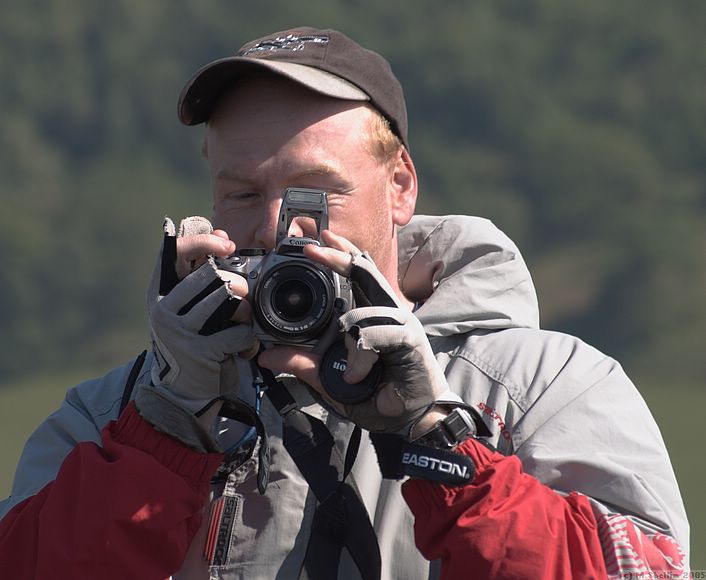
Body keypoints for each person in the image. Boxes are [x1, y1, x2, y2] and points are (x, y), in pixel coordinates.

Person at [0, 26, 689, 580]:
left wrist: (435, 439)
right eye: (242, 194)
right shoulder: (114, 415)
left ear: (400, 186)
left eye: (316, 191)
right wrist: (170, 425)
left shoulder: (544, 388)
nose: (277, 227)